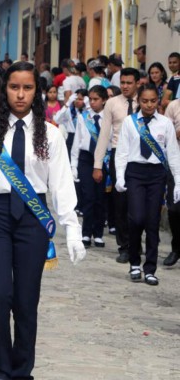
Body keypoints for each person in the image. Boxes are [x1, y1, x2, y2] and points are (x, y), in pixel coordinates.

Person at [0, 61, 86, 380]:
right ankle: (1, 369)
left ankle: (22, 371)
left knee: (26, 300)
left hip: (32, 218)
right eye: (14, 87)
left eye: (27, 88)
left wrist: (72, 228)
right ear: (4, 90)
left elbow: (60, 183)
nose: (20, 94)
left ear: (37, 92)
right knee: (0, 293)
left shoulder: (51, 135)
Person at [115, 83, 180, 286]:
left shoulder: (165, 123)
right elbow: (122, 151)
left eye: (153, 101)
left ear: (158, 101)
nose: (149, 104)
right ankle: (135, 262)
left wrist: (178, 182)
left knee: (152, 222)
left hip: (157, 175)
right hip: (135, 172)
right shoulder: (130, 122)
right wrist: (119, 176)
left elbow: (173, 155)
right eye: (145, 101)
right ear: (139, 101)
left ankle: (150, 268)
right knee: (136, 219)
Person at [93, 68, 140, 263]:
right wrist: (97, 164)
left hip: (139, 158)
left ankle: (137, 243)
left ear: (137, 83)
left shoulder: (145, 101)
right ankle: (125, 247)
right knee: (120, 203)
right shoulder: (112, 103)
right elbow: (104, 134)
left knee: (138, 204)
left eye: (129, 82)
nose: (126, 86)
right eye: (123, 82)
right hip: (117, 157)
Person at [71, 85, 109, 248]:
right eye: (90, 99)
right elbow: (76, 143)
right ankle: (86, 233)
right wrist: (74, 165)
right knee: (88, 197)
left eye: (96, 99)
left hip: (103, 159)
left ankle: (98, 233)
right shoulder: (83, 117)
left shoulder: (109, 118)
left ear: (104, 100)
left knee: (100, 197)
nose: (92, 103)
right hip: (86, 159)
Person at [163, 98, 180, 266]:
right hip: (176, 164)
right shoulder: (173, 106)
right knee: (174, 210)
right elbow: (165, 137)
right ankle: (176, 248)